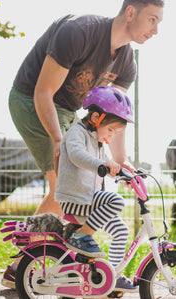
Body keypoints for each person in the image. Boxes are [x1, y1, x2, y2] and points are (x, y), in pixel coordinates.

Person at [2, 0, 164, 289]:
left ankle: (54, 266)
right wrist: (58, 141)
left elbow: (114, 118)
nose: (155, 30)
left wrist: (122, 160)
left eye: (158, 22)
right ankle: (24, 266)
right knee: (64, 185)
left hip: (65, 109)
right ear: (130, 12)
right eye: (152, 20)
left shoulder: (126, 63)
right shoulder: (79, 32)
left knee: (80, 185)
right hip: (31, 100)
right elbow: (43, 91)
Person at [56, 85, 136, 292]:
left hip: (88, 200)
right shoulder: (77, 133)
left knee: (121, 230)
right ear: (95, 118)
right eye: (110, 130)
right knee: (116, 201)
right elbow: (76, 155)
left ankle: (115, 275)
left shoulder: (96, 140)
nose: (110, 137)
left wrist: (124, 175)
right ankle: (82, 237)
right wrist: (102, 166)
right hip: (75, 199)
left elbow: (107, 164)